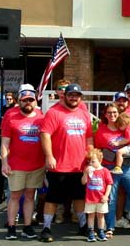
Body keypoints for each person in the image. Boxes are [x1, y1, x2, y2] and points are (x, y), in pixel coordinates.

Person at [39, 83, 94, 242]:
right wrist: (49, 156)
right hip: (59, 166)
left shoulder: (84, 114)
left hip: (79, 166)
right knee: (52, 198)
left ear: (80, 98)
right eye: (71, 95)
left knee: (79, 197)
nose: (74, 98)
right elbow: (45, 135)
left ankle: (83, 226)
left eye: (77, 95)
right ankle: (46, 228)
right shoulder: (54, 112)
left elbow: (89, 137)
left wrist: (90, 156)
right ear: (65, 96)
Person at [93, 106, 130, 237]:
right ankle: (109, 227)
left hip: (128, 167)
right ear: (105, 115)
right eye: (109, 112)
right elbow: (97, 150)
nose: (112, 115)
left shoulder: (124, 125)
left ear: (119, 113)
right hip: (109, 168)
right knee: (111, 198)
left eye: (115, 112)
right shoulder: (101, 131)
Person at [1, 84, 44, 240]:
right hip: (16, 164)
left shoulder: (41, 116)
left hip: (37, 164)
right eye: (25, 100)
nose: (28, 103)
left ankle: (27, 226)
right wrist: (4, 162)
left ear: (35, 101)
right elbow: (5, 142)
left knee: (30, 196)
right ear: (19, 100)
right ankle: (11, 227)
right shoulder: (10, 115)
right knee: (15, 196)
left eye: (31, 100)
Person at [82, 149, 113, 242]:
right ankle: (91, 232)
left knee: (101, 215)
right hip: (90, 198)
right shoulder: (88, 171)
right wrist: (85, 173)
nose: (91, 163)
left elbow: (109, 184)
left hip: (101, 198)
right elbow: (83, 182)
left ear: (100, 160)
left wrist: (106, 196)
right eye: (89, 161)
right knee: (91, 215)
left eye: (93, 161)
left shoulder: (105, 171)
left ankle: (101, 231)